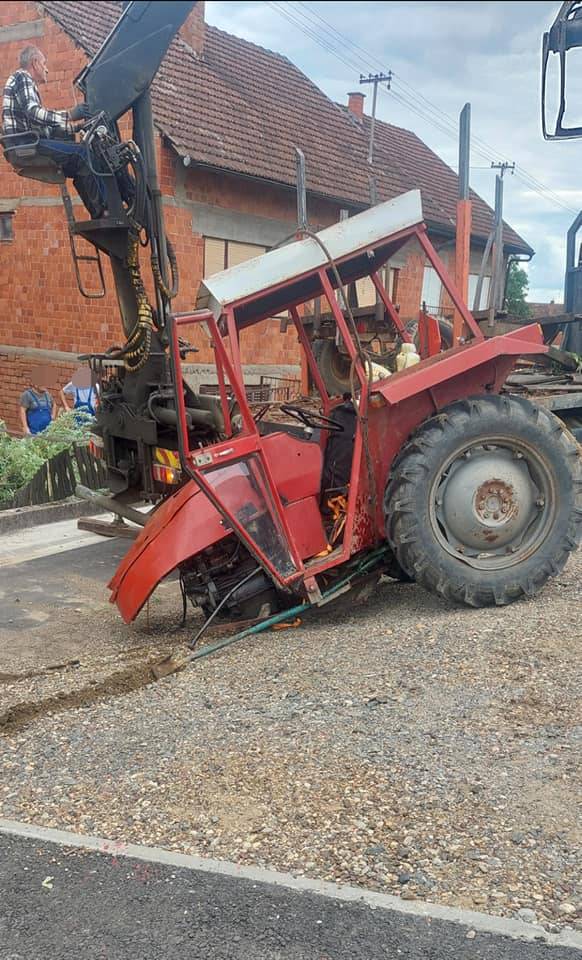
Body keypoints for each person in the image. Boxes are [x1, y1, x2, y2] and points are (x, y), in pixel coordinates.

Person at [2, 46, 105, 218]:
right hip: (27, 144)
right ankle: (106, 211)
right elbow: (34, 113)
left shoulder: (21, 82)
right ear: (34, 63)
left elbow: (44, 128)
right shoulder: (23, 78)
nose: (47, 69)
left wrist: (76, 127)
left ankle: (99, 214)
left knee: (77, 165)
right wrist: (70, 115)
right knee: (82, 153)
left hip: (29, 141)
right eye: (44, 63)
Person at [20, 365, 57, 435]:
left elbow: (54, 405)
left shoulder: (48, 395)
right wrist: (25, 427)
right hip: (33, 432)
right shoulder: (27, 395)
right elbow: (22, 411)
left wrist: (53, 417)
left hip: (48, 432)